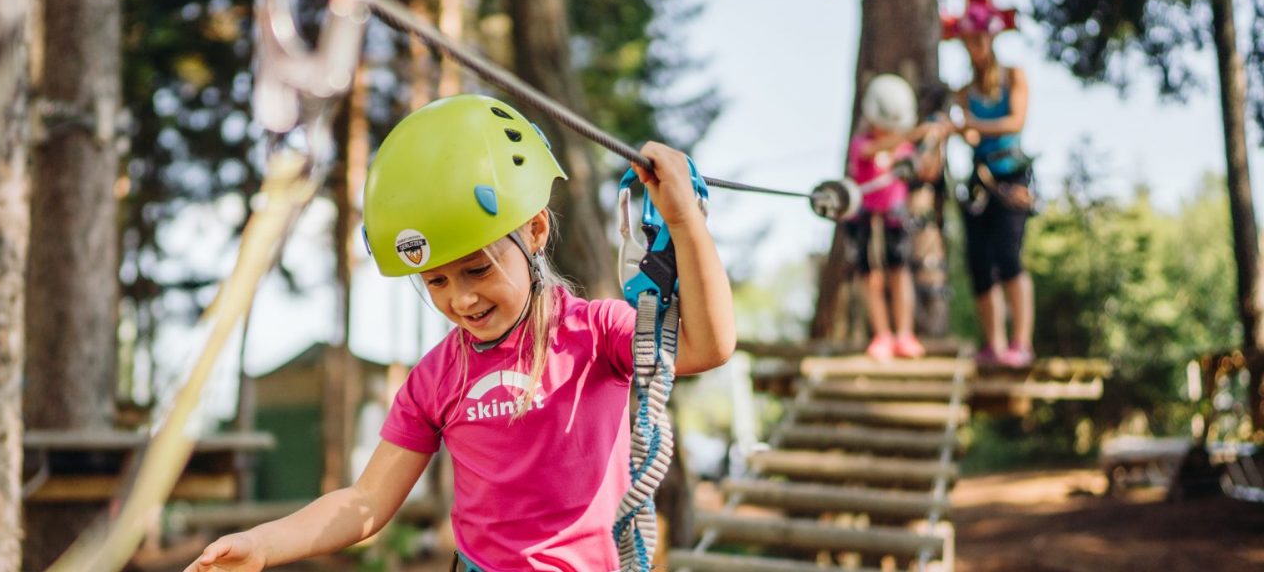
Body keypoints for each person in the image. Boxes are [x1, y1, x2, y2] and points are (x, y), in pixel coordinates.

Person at [186, 95, 737, 571]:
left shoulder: (595, 332)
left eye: (478, 270)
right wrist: (263, 544)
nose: (461, 298)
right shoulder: (436, 378)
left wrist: (685, 222)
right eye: (437, 282)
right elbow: (365, 502)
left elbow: (708, 346)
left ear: (536, 230)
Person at [950, 1, 1036, 368]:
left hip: (1011, 176)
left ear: (990, 40)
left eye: (978, 40)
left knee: (1008, 256)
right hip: (979, 179)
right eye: (967, 42)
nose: (973, 48)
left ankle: (1021, 343)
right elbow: (966, 135)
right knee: (980, 262)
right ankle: (995, 344)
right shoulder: (964, 92)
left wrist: (969, 125)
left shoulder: (1013, 77)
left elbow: (1015, 121)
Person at [848, 74, 946, 360]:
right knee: (872, 278)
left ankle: (904, 334)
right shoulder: (862, 143)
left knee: (899, 273)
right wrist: (914, 133)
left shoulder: (904, 150)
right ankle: (882, 334)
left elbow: (927, 172)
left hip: (895, 217)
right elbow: (870, 150)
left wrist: (933, 140)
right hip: (865, 218)